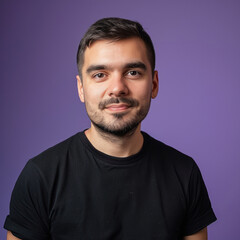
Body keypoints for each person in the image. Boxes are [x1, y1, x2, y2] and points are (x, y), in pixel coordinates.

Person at [4, 17, 216, 240]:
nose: (117, 88)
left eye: (133, 72)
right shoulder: (40, 177)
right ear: (81, 88)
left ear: (153, 84)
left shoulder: (184, 174)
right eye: (100, 75)